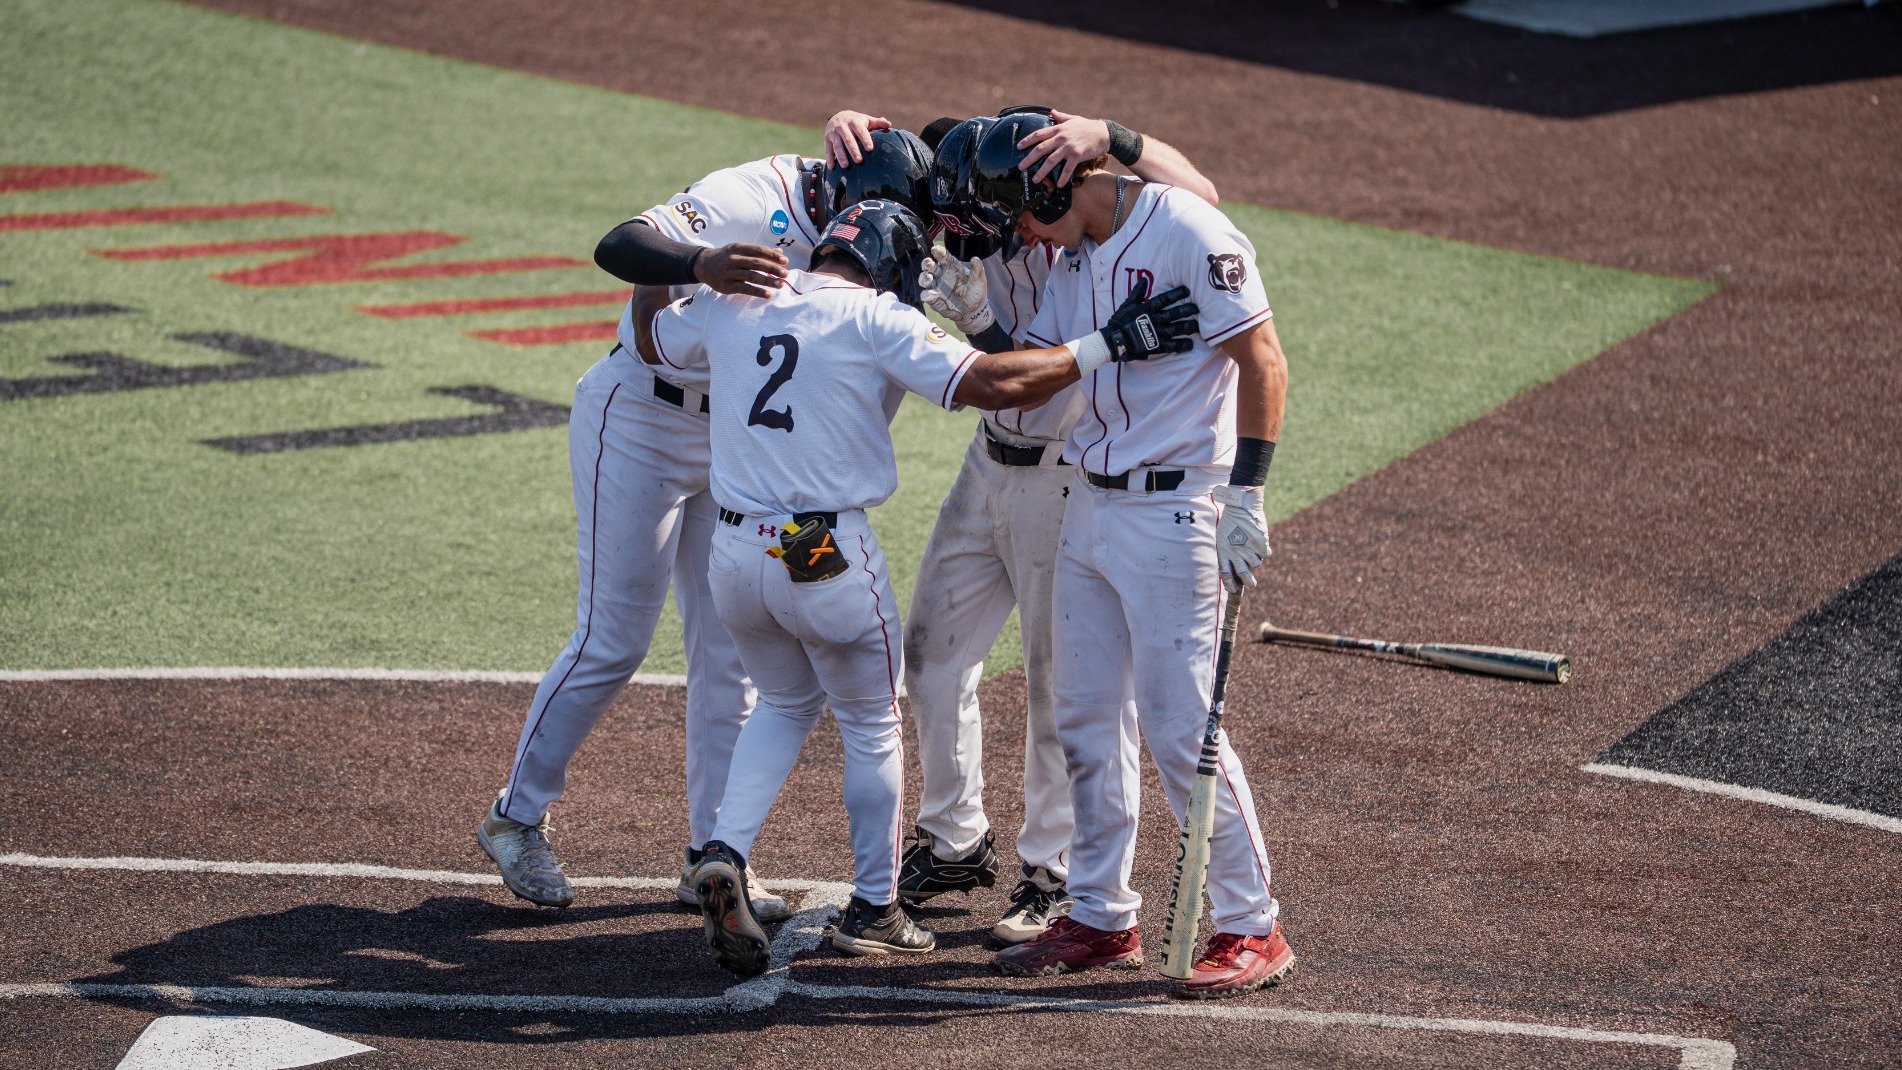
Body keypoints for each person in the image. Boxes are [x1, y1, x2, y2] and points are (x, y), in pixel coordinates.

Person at [635, 199, 1199, 978]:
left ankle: (723, 848)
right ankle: (876, 907)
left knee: (787, 703)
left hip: (733, 555)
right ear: (892, 268)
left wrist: (682, 260)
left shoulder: (736, 298)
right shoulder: (875, 319)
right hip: (823, 553)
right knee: (871, 723)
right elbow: (1000, 384)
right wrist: (1108, 342)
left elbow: (649, 337)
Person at [476, 130, 937, 924]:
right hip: (642, 420)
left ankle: (709, 856)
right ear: (841, 194)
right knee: (611, 638)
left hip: (735, 445)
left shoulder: (865, 243)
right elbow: (617, 245)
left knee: (729, 659)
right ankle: (516, 818)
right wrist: (699, 265)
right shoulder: (750, 196)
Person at [825, 107, 1221, 947]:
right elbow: (906, 170)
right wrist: (846, 122)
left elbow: (1201, 197)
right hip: (987, 467)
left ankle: (1053, 872)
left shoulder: (1088, 238)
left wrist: (1116, 137)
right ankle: (956, 838)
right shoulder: (980, 204)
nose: (998, 233)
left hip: (1065, 479)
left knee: (1057, 685)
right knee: (931, 657)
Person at [957, 120, 1296, 1000]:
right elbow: (1037, 367)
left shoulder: (1187, 229)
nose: (1018, 239)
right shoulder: (1080, 258)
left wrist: (1247, 493)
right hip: (1091, 503)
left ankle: (1253, 923)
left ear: (1051, 190)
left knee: (1182, 725)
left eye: (1018, 218)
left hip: (1178, 510)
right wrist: (974, 319)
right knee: (1086, 716)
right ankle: (1102, 915)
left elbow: (1263, 359)